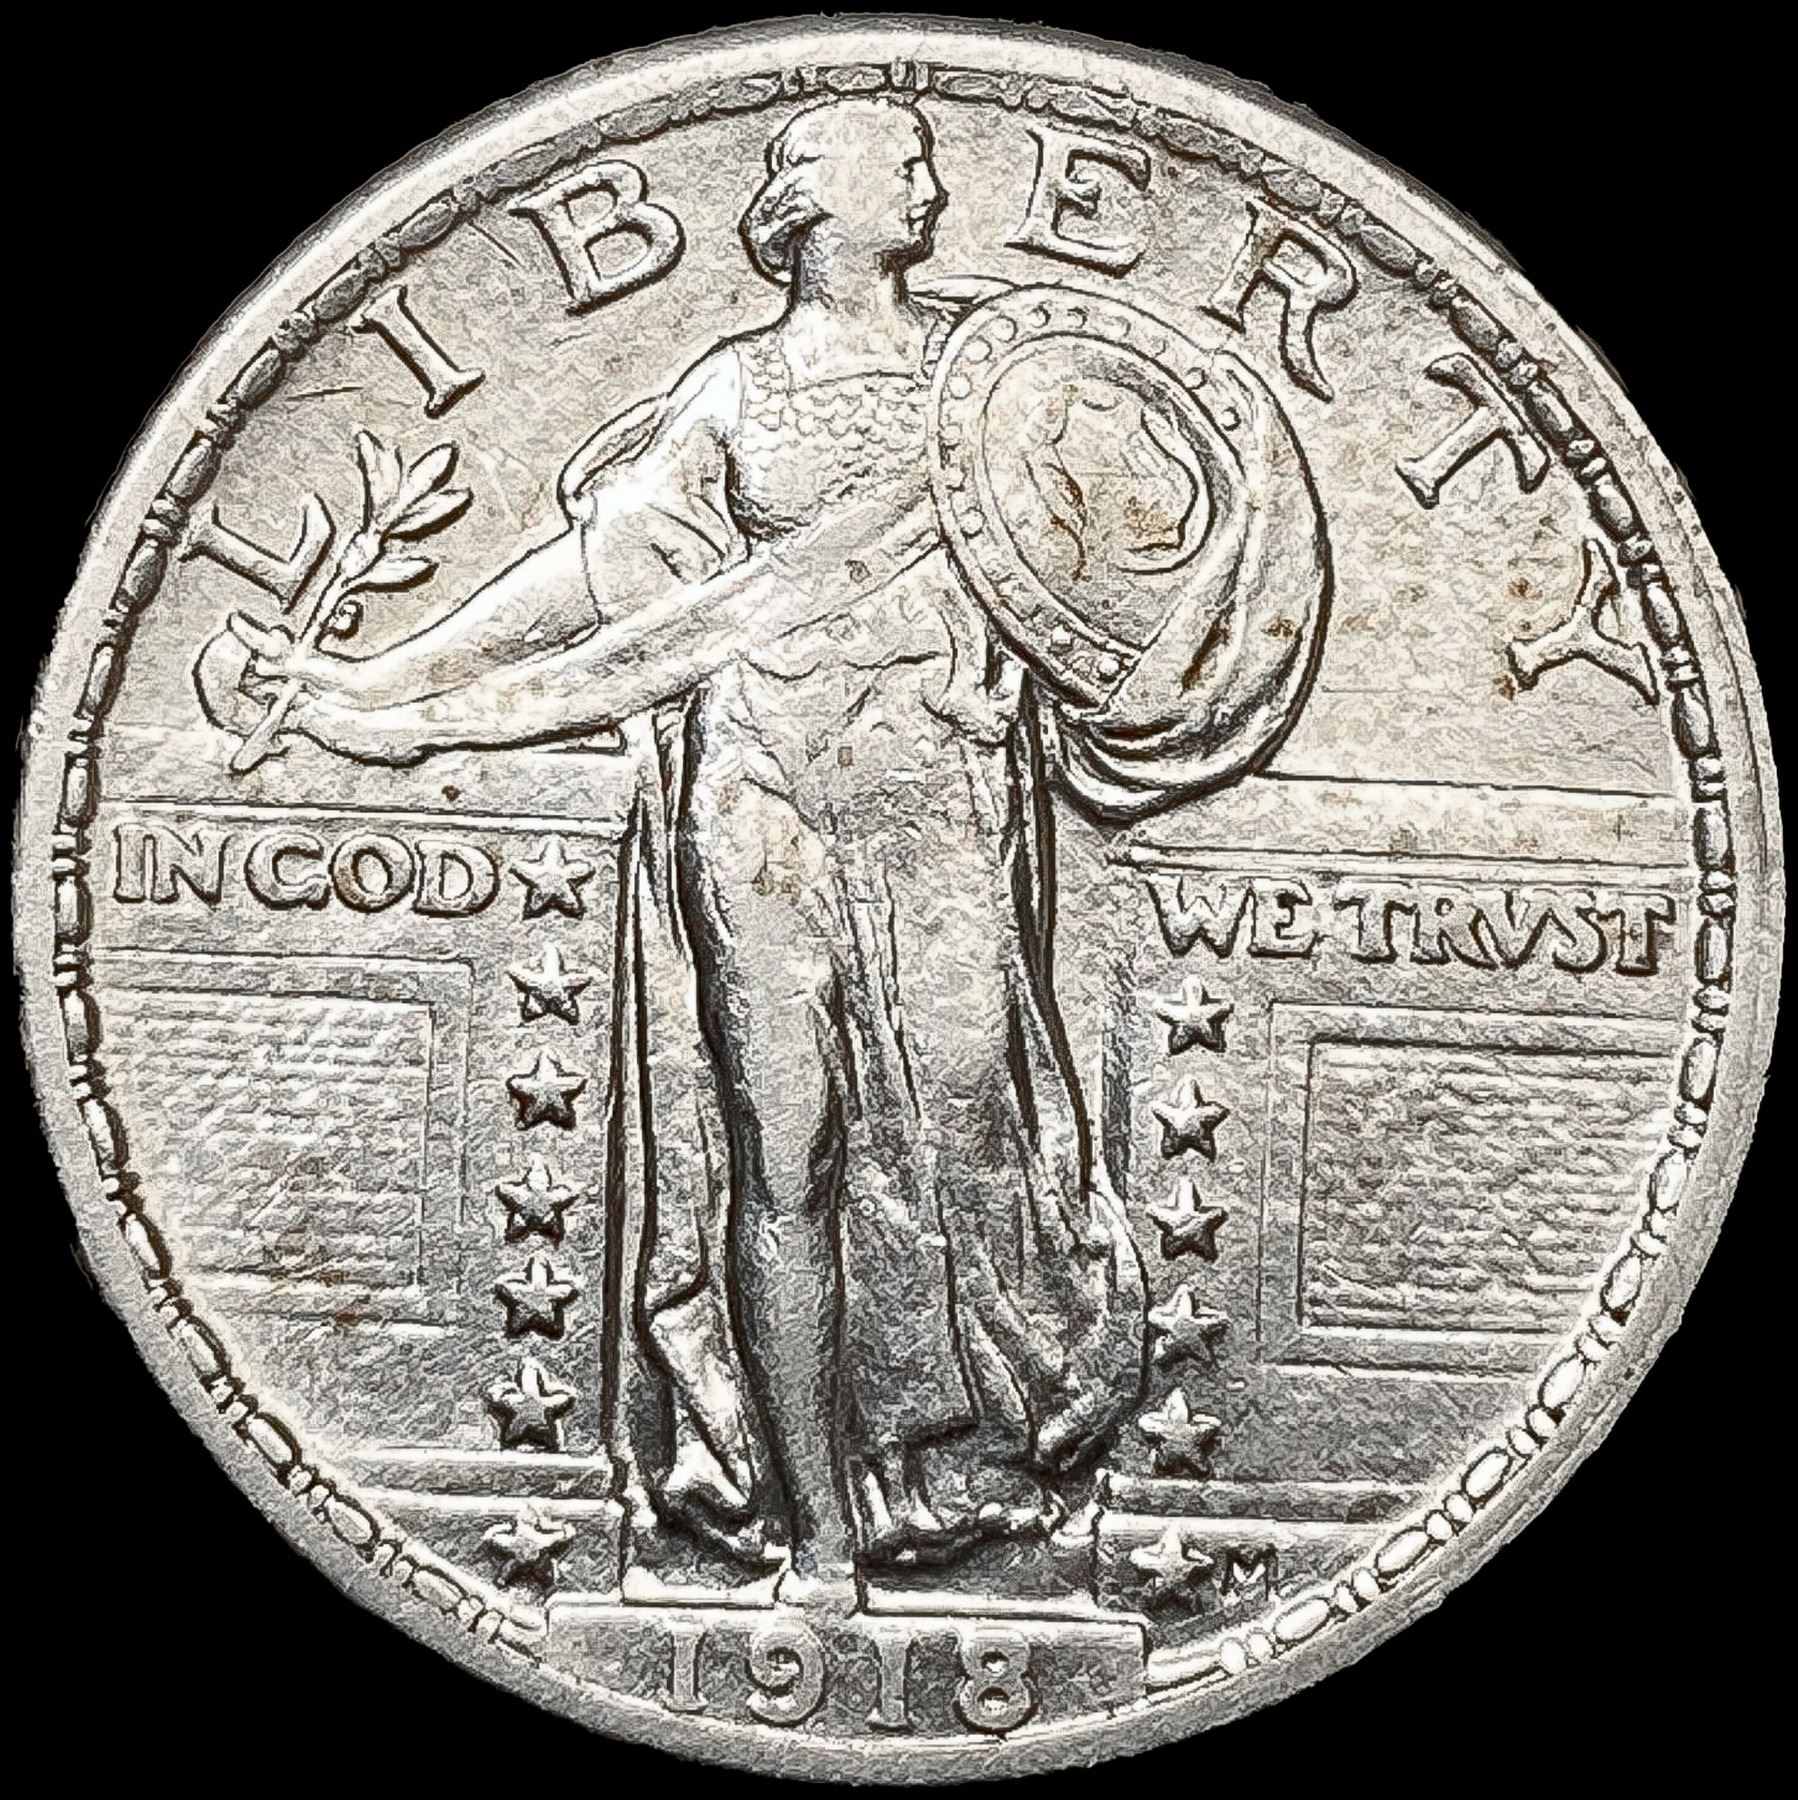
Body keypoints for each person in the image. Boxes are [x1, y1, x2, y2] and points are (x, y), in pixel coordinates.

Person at [219, 96, 1327, 1611]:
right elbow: (594, 582)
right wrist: (385, 690)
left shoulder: (994, 377)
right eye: (899, 162)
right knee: (782, 1153)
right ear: (811, 203)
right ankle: (816, 1539)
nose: (930, 180)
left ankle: (958, 1468)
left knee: (970, 1131)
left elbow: (1148, 538)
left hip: (941, 808)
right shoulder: (736, 392)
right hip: (760, 801)